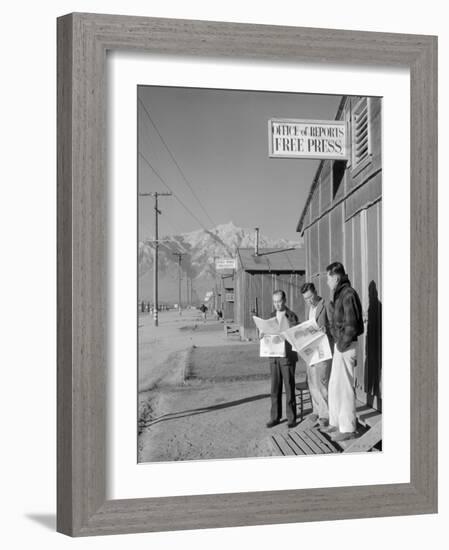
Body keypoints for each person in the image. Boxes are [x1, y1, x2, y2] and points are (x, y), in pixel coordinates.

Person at [321, 262, 364, 442]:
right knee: (334, 385)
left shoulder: (348, 294)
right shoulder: (339, 294)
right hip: (341, 346)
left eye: (328, 278)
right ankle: (336, 421)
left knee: (345, 387)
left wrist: (341, 344)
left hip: (345, 347)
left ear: (336, 277)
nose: (327, 282)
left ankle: (348, 428)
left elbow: (352, 325)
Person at [262, 290, 299, 429]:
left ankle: (291, 418)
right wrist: (262, 334)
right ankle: (275, 417)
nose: (277, 304)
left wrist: (287, 333)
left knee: (289, 387)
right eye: (274, 302)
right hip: (274, 357)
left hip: (287, 356)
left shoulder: (292, 316)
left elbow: (296, 334)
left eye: (279, 301)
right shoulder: (271, 316)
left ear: (285, 300)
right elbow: (265, 332)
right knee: (275, 388)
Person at [300, 282, 333, 429]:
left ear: (316, 292)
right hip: (311, 350)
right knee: (312, 382)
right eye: (306, 299)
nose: (309, 301)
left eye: (310, 297)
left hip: (323, 350)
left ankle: (326, 415)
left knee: (322, 382)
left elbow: (335, 324)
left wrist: (327, 329)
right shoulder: (308, 309)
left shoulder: (326, 305)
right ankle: (317, 410)